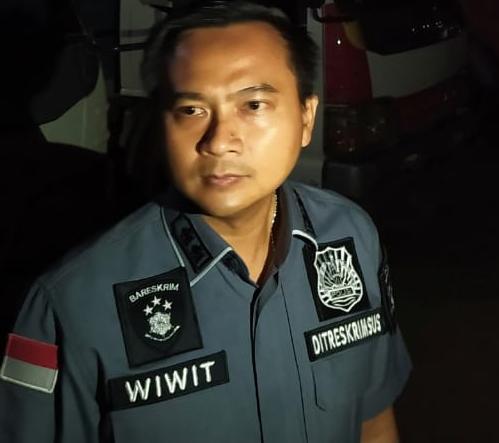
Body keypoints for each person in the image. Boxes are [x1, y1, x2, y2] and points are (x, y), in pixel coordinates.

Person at [0, 1, 411, 442]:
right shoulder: (73, 303)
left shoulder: (349, 237)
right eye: (192, 110)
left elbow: (373, 419)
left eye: (253, 104)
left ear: (306, 117)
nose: (219, 141)